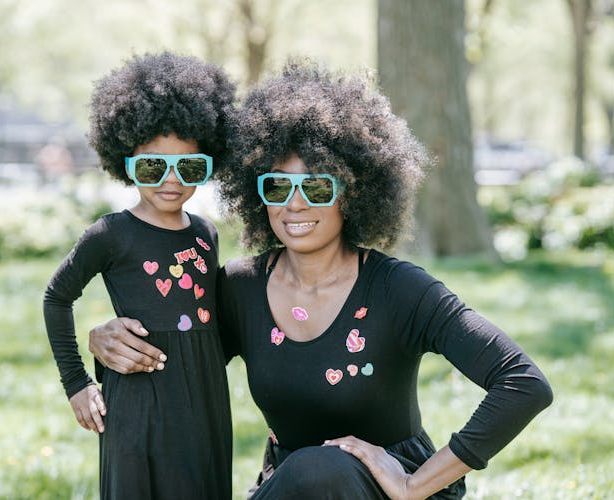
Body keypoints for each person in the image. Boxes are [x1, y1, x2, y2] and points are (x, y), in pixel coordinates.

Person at [88, 61, 553, 499]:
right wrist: (105, 342)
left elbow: (522, 383)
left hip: (387, 490)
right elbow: (174, 359)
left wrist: (416, 483)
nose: (294, 204)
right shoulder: (239, 288)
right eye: (277, 185)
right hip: (290, 488)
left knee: (322, 468)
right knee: (308, 471)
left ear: (353, 192)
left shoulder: (399, 289)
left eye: (316, 186)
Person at [42, 52, 235, 500]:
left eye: (189, 166)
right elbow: (56, 297)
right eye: (152, 166)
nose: (171, 179)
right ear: (125, 160)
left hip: (204, 402)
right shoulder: (110, 234)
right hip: (136, 406)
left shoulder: (206, 233)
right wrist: (76, 382)